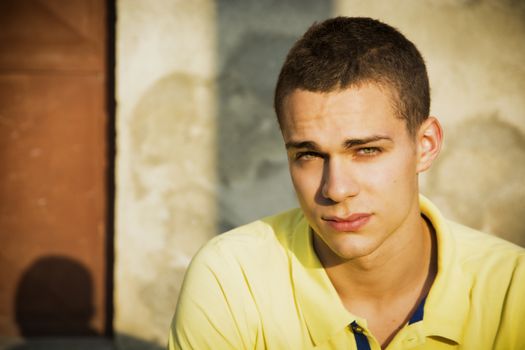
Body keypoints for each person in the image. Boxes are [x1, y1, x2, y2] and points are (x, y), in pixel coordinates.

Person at [168, 17, 525, 350]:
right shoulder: (232, 280)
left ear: (425, 146)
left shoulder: (513, 289)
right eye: (309, 155)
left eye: (366, 150)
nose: (336, 190)